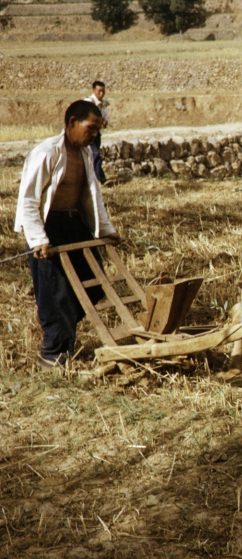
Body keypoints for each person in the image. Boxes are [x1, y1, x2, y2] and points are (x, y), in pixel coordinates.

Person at [14, 99, 119, 368]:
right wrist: (37, 239)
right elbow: (28, 199)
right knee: (55, 291)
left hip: (74, 223)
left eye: (97, 130)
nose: (94, 134)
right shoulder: (47, 152)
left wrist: (106, 231)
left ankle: (65, 339)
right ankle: (52, 353)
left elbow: (92, 196)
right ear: (72, 122)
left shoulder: (85, 153)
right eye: (91, 128)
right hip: (48, 227)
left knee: (93, 282)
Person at [83, 80, 110, 184]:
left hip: (97, 133)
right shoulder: (88, 102)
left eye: (103, 91)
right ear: (94, 90)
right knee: (95, 154)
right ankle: (100, 179)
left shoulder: (103, 104)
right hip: (87, 133)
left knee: (93, 154)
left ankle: (94, 178)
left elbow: (106, 120)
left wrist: (103, 122)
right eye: (99, 91)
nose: (101, 94)